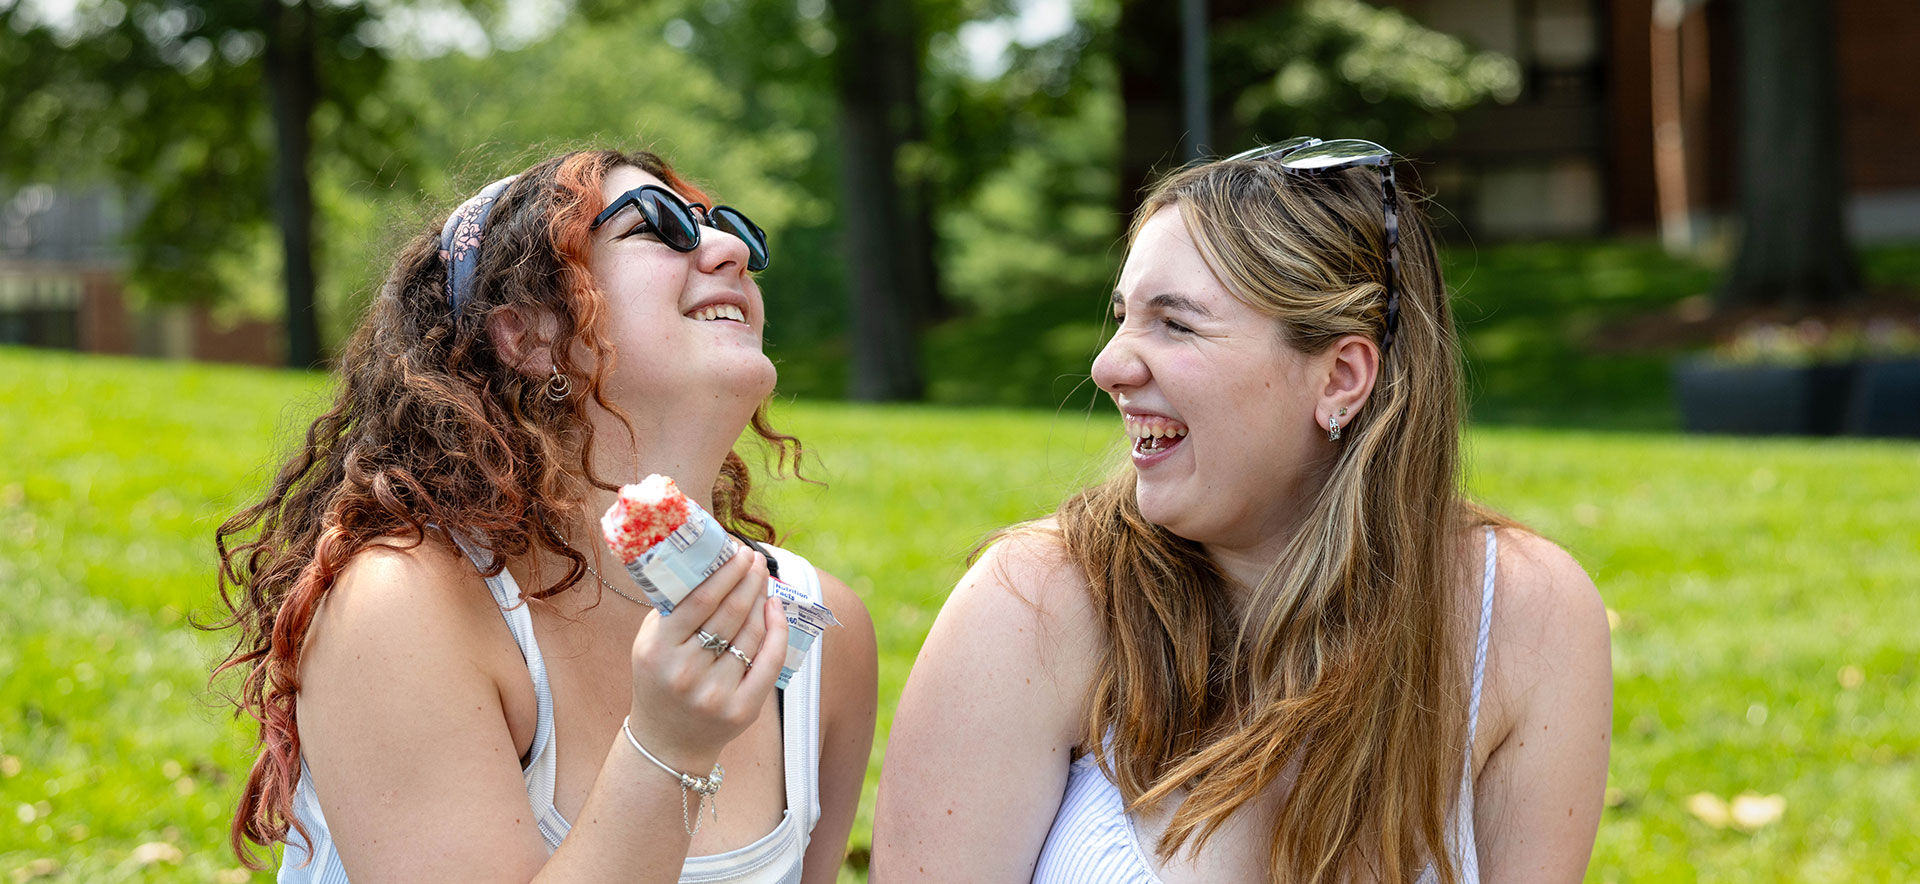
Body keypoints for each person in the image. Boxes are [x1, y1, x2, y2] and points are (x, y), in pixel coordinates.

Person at [874, 139, 1611, 884]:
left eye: (1177, 323)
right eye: (1124, 315)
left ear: (1342, 378)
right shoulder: (1037, 601)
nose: (1109, 366)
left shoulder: (1518, 614)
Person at [211, 148, 876, 884]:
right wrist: (668, 748)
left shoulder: (820, 634)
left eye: (726, 229)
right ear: (527, 337)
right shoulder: (405, 604)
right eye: (656, 227)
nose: (730, 251)